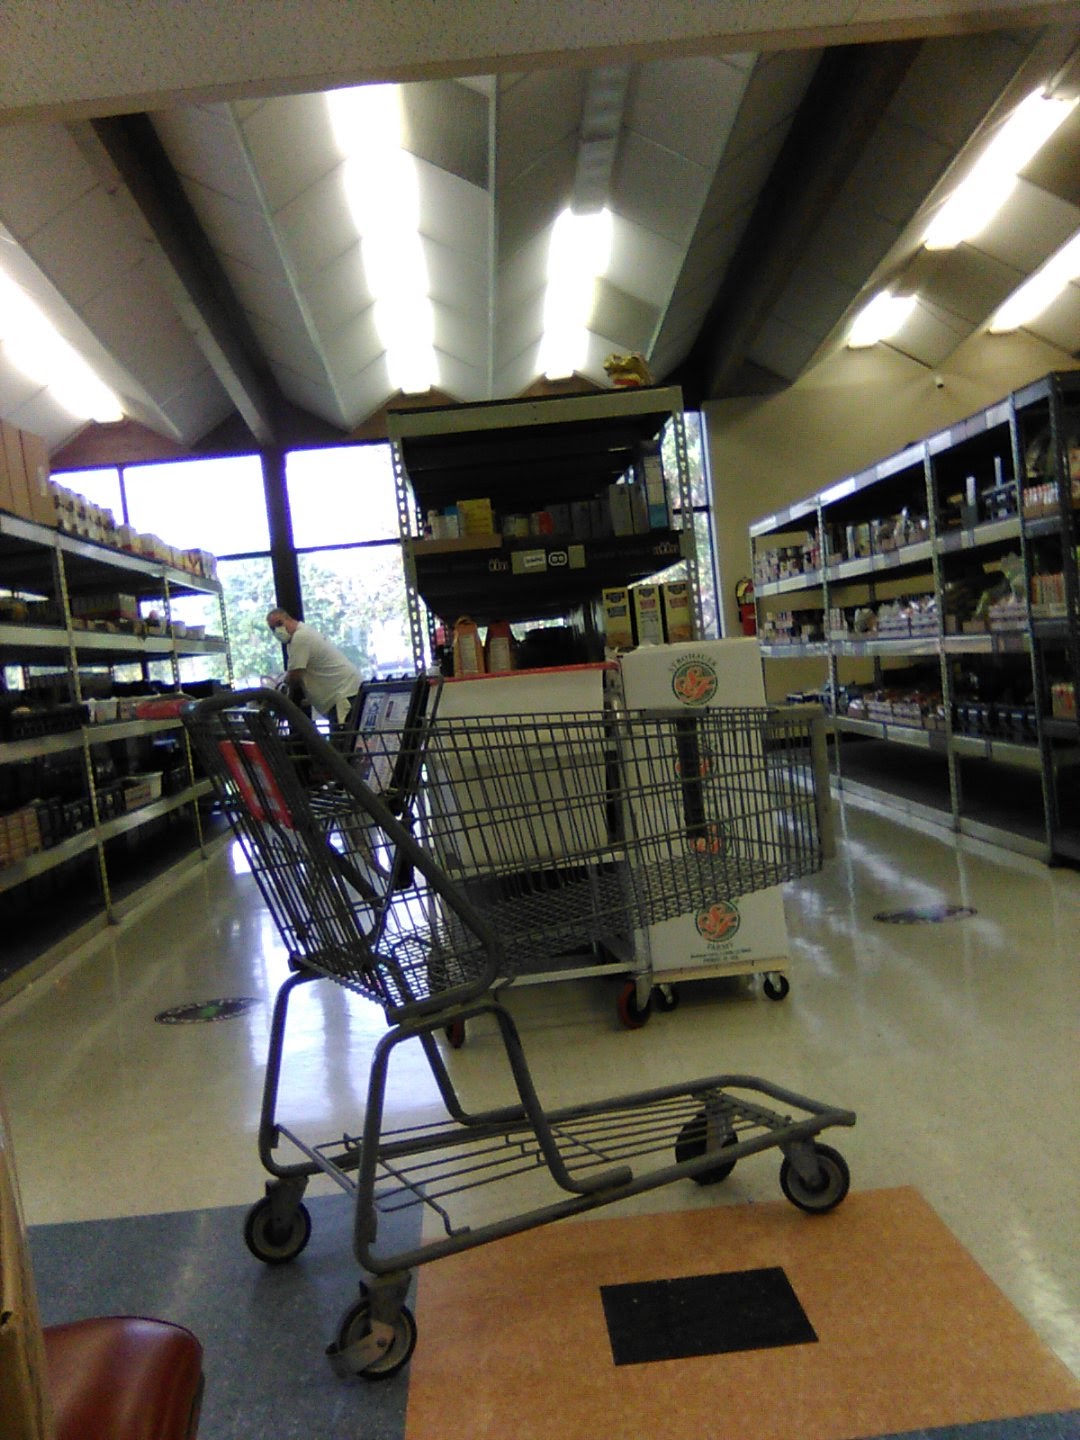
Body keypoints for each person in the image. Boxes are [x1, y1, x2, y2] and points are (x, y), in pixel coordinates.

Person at [266, 608, 362, 731]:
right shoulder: (300, 636)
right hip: (344, 692)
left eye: (279, 624)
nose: (277, 630)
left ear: (289, 619)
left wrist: (280, 685)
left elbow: (295, 675)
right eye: (273, 628)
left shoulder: (300, 637)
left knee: (344, 739)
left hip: (344, 695)